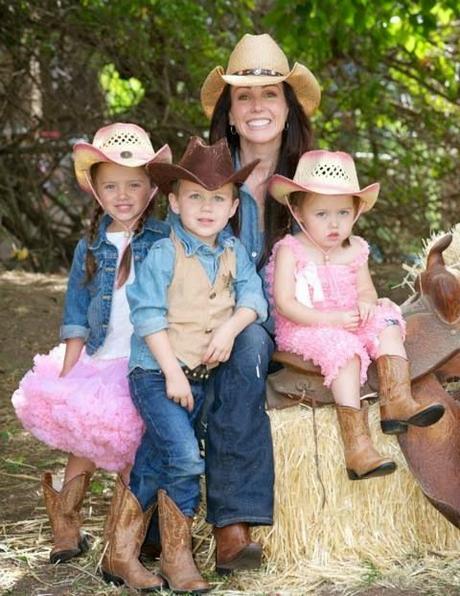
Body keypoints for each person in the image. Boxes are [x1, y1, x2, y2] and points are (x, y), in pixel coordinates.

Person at [12, 123, 171, 591]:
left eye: (134, 184)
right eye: (111, 185)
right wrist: (67, 373)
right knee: (82, 448)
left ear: (153, 187)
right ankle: (66, 526)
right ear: (96, 191)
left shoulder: (163, 239)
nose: (123, 195)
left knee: (127, 456)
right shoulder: (91, 246)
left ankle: (121, 546)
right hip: (99, 362)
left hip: (139, 363)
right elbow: (77, 314)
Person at [109, 136, 267, 593]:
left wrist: (229, 329)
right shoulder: (162, 252)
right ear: (174, 202)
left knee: (153, 460)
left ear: (233, 207)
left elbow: (253, 298)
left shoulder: (234, 253)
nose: (206, 207)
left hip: (196, 377)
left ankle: (120, 554)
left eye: (218, 198)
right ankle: (180, 560)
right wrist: (173, 373)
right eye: (195, 196)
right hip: (157, 374)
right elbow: (147, 317)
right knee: (182, 457)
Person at [192, 32, 322, 572]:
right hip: (204, 312)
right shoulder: (206, 173)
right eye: (243, 96)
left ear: (289, 107)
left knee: (244, 344)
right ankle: (157, 520)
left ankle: (231, 523)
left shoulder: (312, 178)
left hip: (288, 320)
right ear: (228, 112)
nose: (257, 106)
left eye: (270, 93)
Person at [266, 149, 445, 480]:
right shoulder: (290, 250)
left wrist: (366, 303)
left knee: (387, 319)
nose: (334, 223)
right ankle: (358, 447)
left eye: (343, 213)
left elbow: (366, 291)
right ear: (299, 212)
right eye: (321, 214)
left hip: (348, 318)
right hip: (307, 326)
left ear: (356, 212)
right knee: (345, 353)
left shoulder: (356, 249)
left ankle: (397, 401)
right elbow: (285, 302)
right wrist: (330, 320)